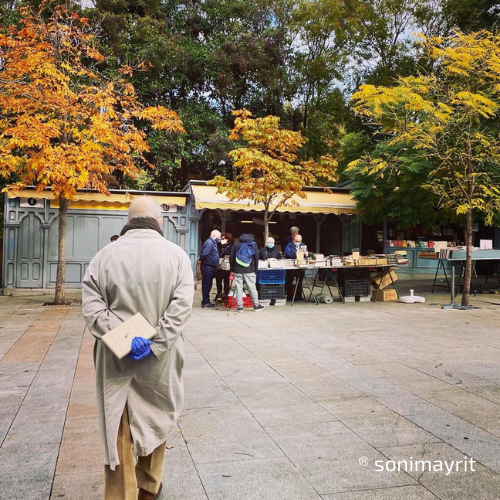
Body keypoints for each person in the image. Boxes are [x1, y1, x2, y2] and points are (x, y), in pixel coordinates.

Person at [81, 196, 194, 500]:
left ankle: (120, 494)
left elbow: (92, 309)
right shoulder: (177, 256)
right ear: (160, 223)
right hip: (161, 358)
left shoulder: (103, 256)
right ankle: (149, 485)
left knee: (118, 424)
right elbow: (181, 308)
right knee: (157, 415)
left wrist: (121, 337)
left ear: (128, 221)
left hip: (115, 358)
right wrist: (156, 343)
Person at [230, 233, 265, 313]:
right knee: (252, 287)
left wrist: (232, 269)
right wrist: (255, 270)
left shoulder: (236, 244)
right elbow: (256, 258)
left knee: (238, 287)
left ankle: (239, 307)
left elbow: (231, 258)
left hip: (238, 270)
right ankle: (256, 305)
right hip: (249, 270)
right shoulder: (253, 244)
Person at [199, 229, 221, 308]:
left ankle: (206, 301)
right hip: (207, 267)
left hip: (210, 266)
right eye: (218, 236)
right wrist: (203, 260)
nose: (220, 238)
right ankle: (205, 302)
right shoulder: (209, 243)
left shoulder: (212, 243)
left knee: (208, 284)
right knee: (206, 285)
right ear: (214, 236)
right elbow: (204, 254)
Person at [284, 234, 307, 301]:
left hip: (300, 265)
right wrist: (295, 253)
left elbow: (305, 254)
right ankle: (288, 296)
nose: (299, 243)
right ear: (294, 240)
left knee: (299, 281)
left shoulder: (302, 245)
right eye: (297, 241)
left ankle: (298, 296)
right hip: (291, 266)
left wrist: (306, 254)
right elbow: (287, 253)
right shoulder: (289, 245)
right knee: (289, 281)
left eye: (300, 241)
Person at [216, 232, 233, 298]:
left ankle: (226, 294)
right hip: (219, 266)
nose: (221, 240)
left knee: (226, 281)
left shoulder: (231, 247)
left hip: (227, 267)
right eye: (221, 238)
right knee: (218, 281)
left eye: (223, 238)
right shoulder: (218, 246)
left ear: (228, 239)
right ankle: (219, 294)